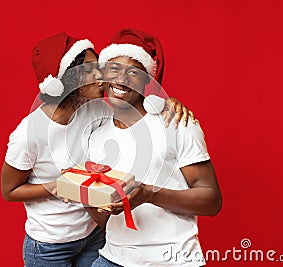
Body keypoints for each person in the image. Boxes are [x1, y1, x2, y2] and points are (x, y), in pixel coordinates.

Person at [1, 32, 193, 267]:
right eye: (90, 70)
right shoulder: (28, 133)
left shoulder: (96, 110)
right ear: (66, 79)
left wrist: (167, 102)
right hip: (49, 245)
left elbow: (133, 104)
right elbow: (9, 190)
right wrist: (60, 186)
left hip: (93, 236)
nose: (101, 76)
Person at [88, 29, 222, 267]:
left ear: (147, 80)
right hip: (112, 259)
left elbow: (212, 201)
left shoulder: (176, 123)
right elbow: (102, 219)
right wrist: (86, 197)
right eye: (115, 69)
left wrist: (150, 194)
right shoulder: (96, 136)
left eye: (133, 72)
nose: (122, 79)